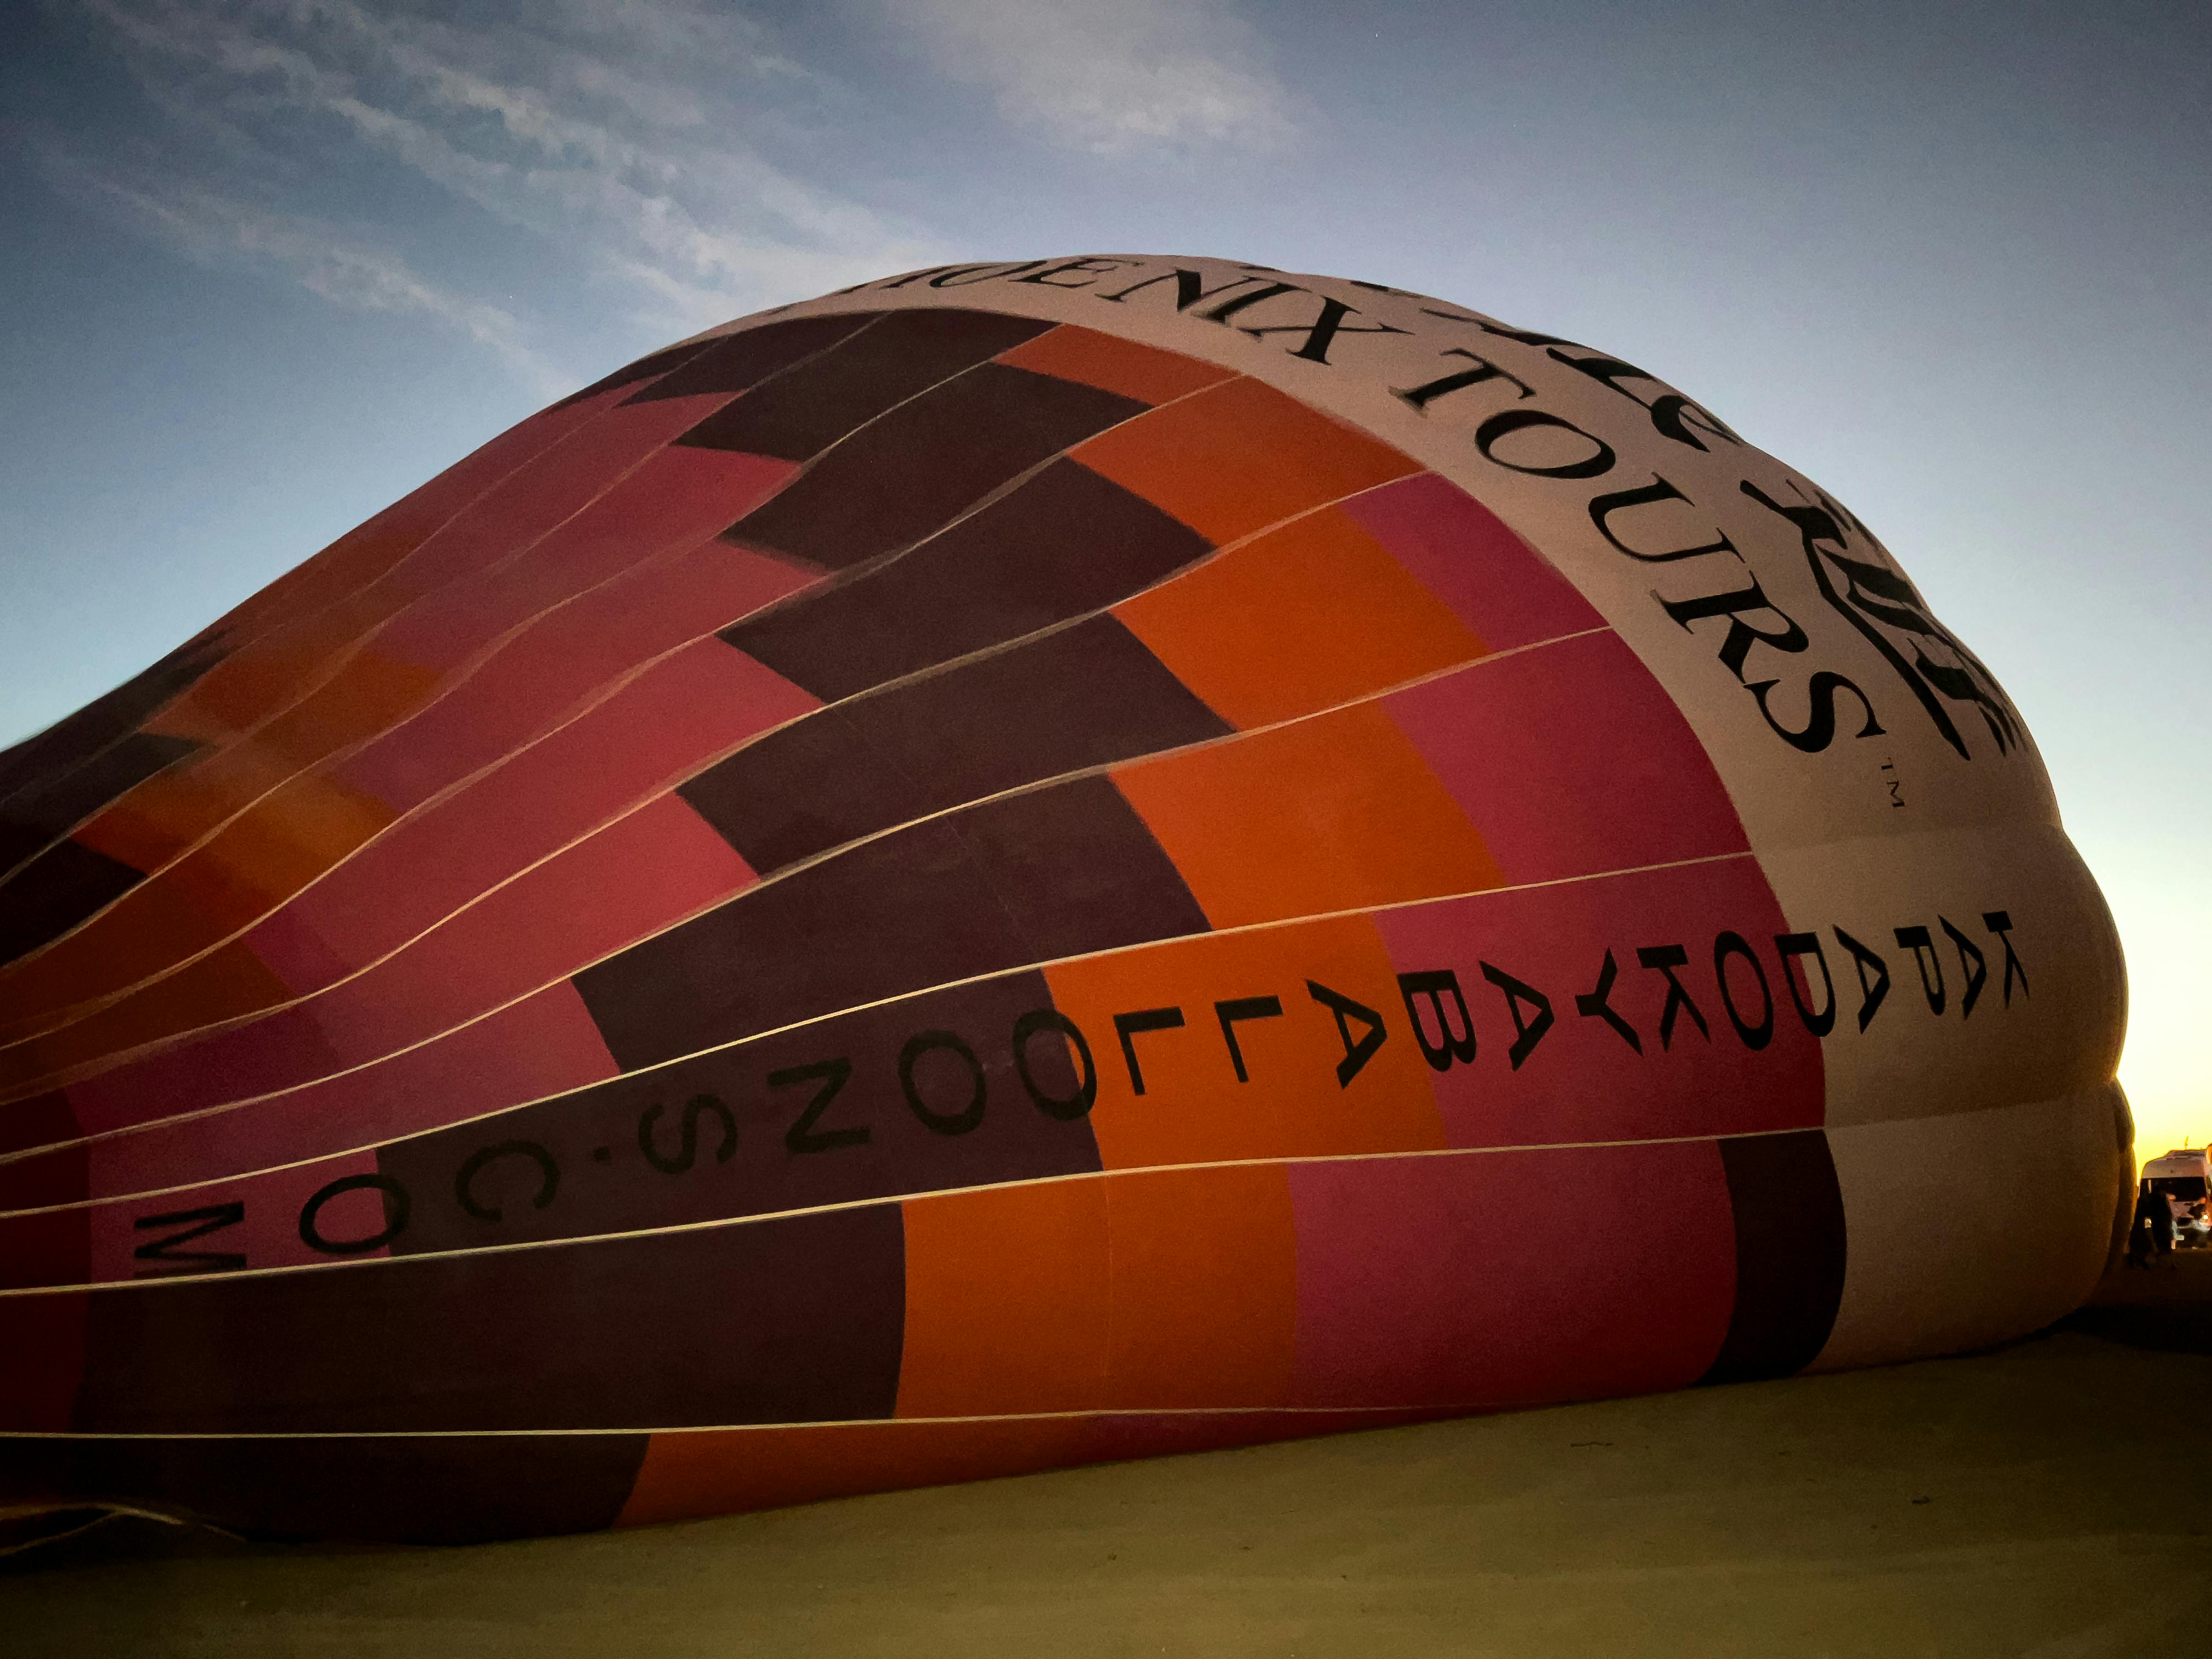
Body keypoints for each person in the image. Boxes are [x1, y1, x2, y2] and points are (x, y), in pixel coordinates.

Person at [2127, 1182, 2162, 1268]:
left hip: (2136, 1224)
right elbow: (2146, 1212)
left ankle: (2135, 1260)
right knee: (2141, 1242)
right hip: (2139, 1224)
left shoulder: (2137, 1202)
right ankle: (2138, 1260)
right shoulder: (2142, 1203)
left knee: (2137, 1243)